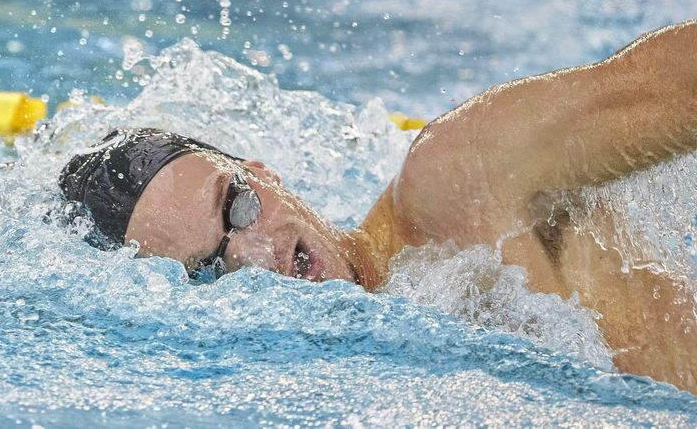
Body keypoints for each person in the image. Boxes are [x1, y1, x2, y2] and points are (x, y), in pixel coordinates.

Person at [60, 21, 697, 392]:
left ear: (263, 173)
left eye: (237, 208)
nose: (256, 256)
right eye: (211, 267)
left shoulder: (454, 176)